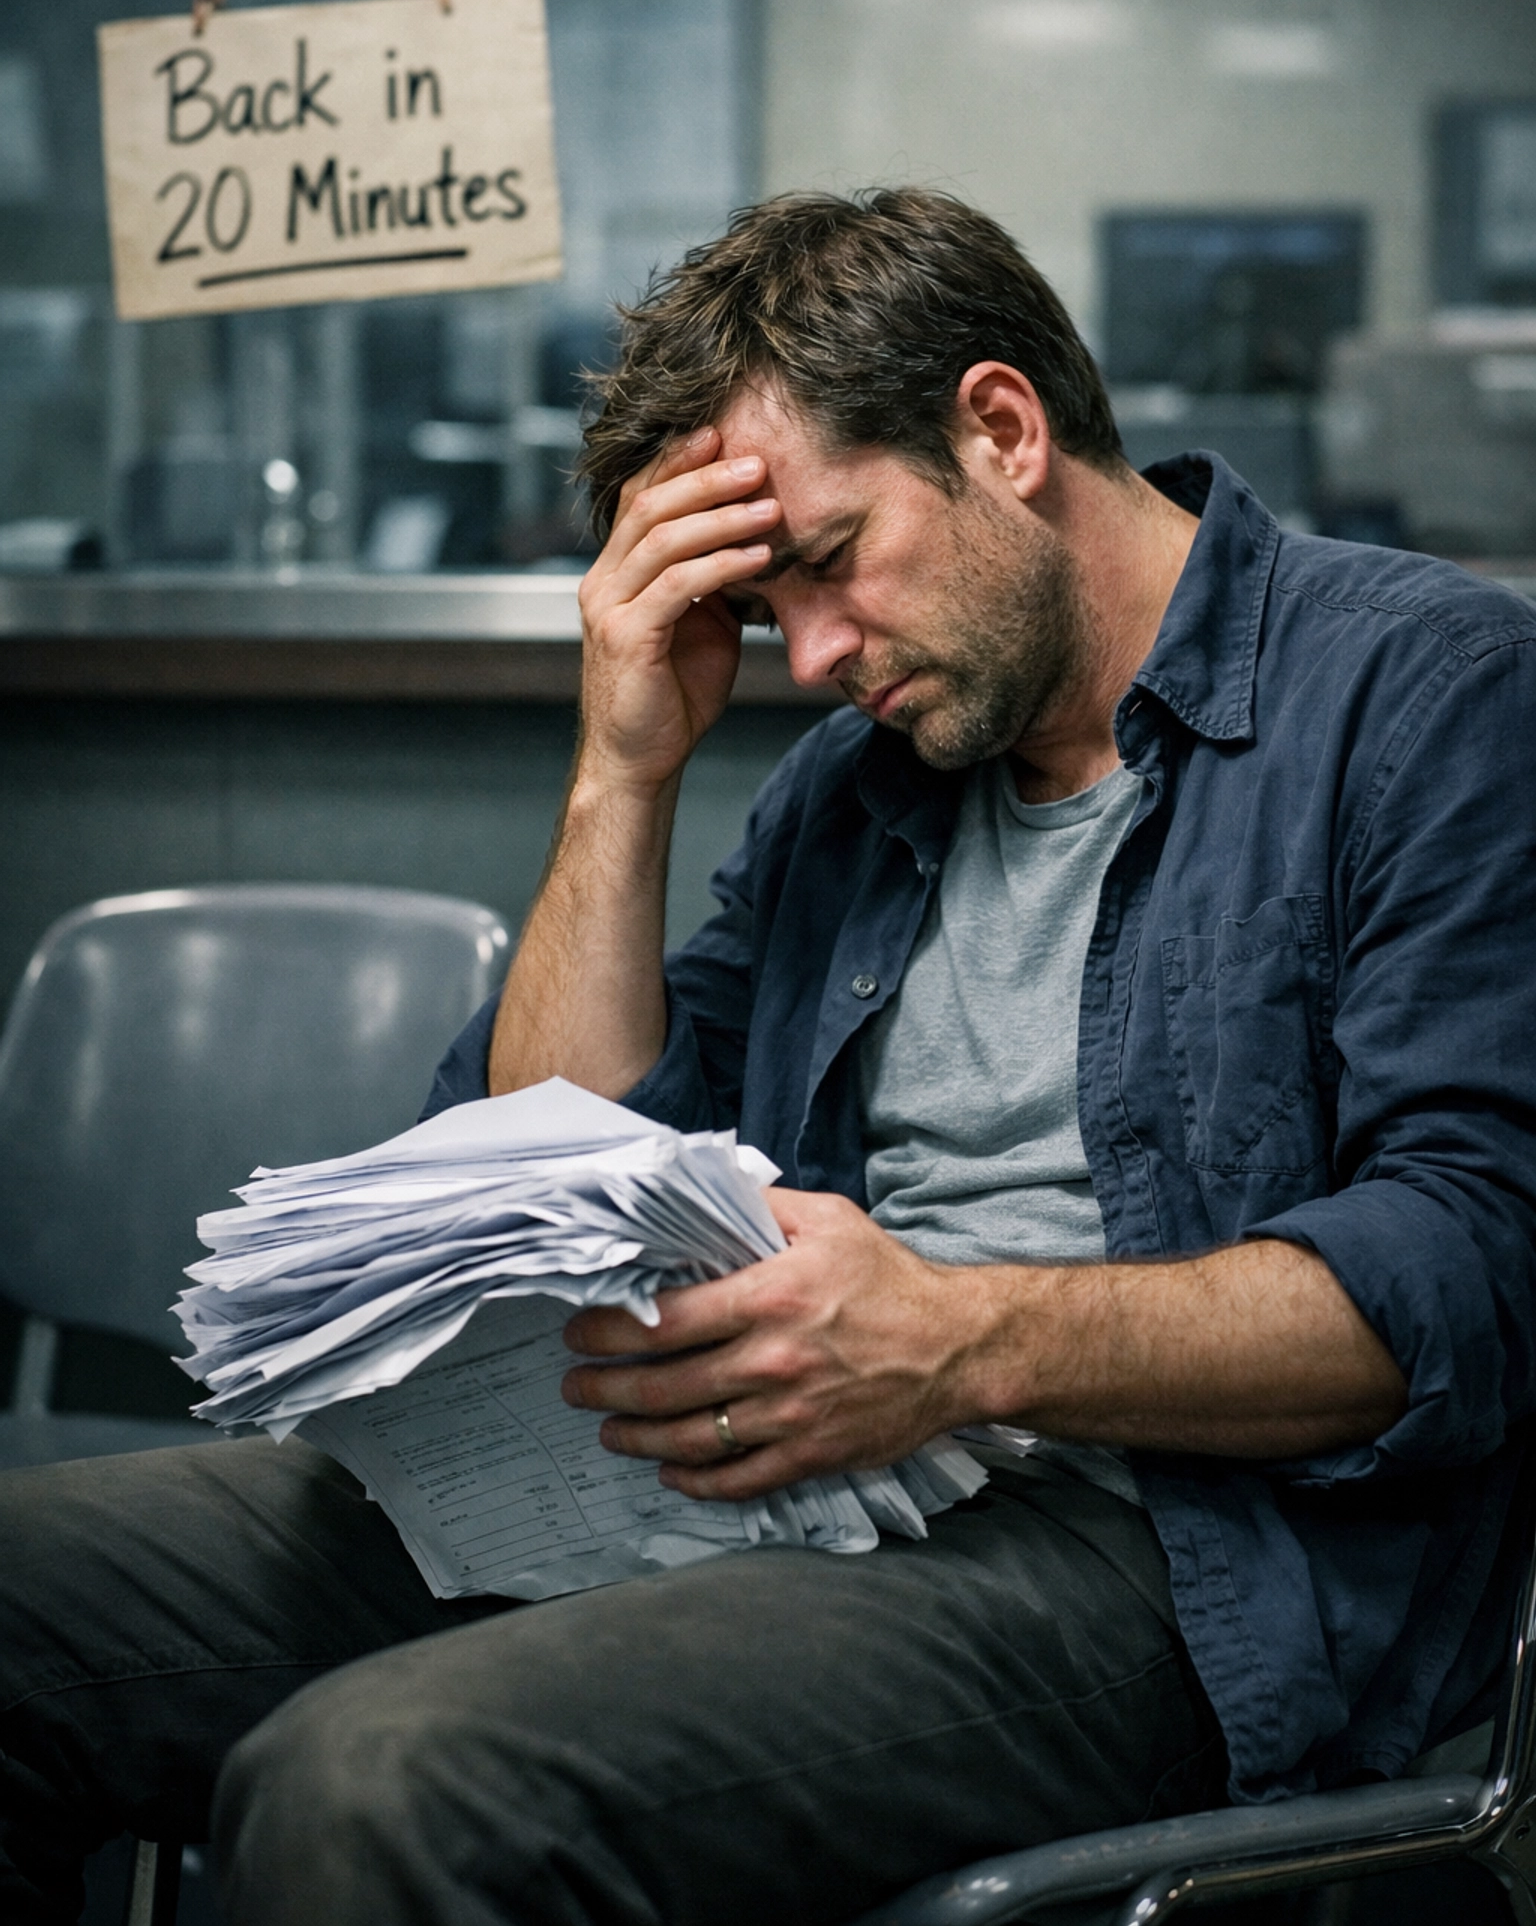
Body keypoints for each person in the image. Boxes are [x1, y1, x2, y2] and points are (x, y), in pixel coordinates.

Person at [3, 188, 1535, 1926]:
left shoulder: (1428, 697)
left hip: (1173, 1557)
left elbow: (1472, 1278)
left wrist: (958, 1342)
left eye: (825, 561)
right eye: (762, 600)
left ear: (1003, 430)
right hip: (783, 1492)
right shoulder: (852, 787)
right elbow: (540, 1161)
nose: (806, 657)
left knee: (377, 1791)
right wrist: (623, 763)